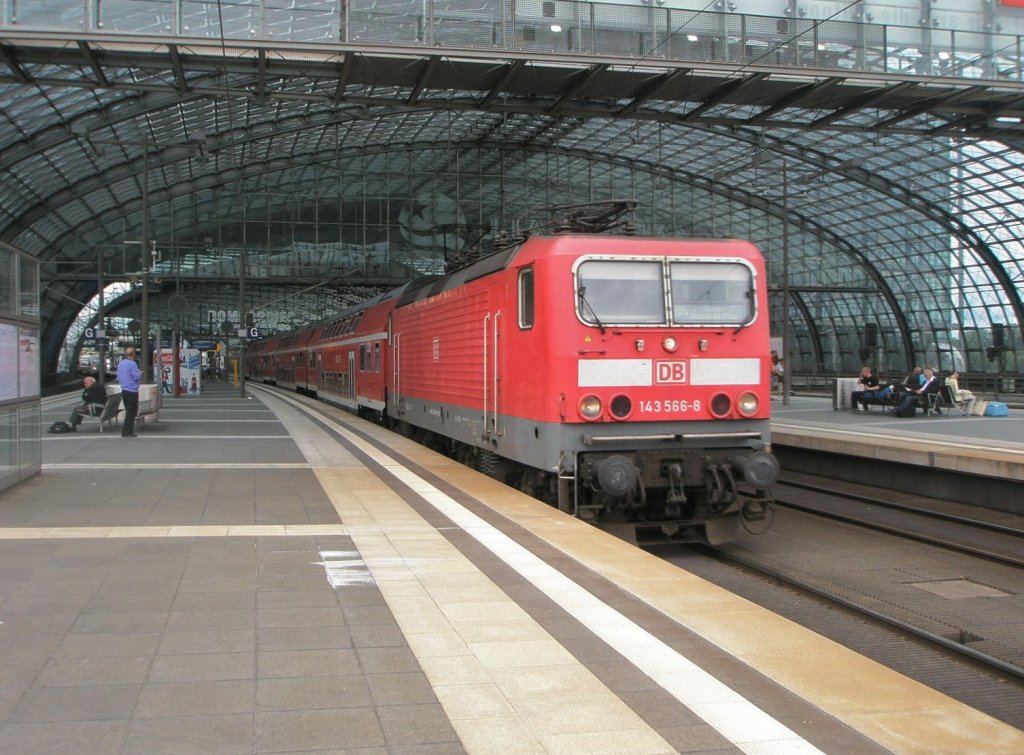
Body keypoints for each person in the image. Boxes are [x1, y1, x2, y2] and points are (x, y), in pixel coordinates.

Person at [116, 346, 142, 438]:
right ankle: (127, 432)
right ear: (134, 354)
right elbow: (136, 377)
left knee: (129, 411)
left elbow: (118, 377)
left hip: (124, 390)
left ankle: (128, 431)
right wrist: (140, 373)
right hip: (132, 391)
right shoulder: (133, 364)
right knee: (131, 413)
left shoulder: (121, 364)